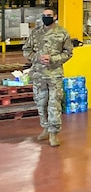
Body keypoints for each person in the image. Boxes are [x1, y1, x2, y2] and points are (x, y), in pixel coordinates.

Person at [22, 8, 73, 147]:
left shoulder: (62, 33)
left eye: (49, 15)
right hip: (38, 74)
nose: (46, 18)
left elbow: (68, 53)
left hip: (54, 74)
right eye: (44, 16)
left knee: (54, 103)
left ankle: (53, 133)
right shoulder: (36, 32)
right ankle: (45, 127)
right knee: (41, 102)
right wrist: (37, 58)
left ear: (55, 16)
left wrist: (52, 59)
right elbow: (26, 50)